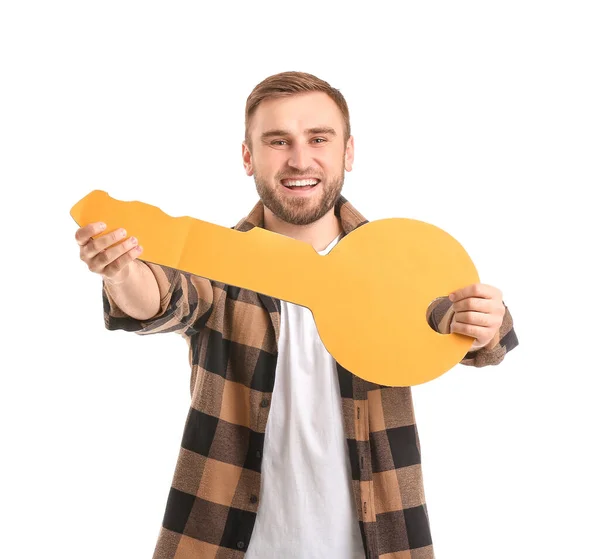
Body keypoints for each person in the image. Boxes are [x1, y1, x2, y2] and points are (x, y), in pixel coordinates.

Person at [75, 71, 518, 559]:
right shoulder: (219, 264)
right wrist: (121, 272)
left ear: (348, 152)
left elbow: (468, 327)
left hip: (381, 542)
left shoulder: (397, 265)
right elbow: (162, 297)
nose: (300, 159)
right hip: (223, 542)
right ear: (249, 157)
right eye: (278, 141)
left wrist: (485, 324)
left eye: (318, 139)